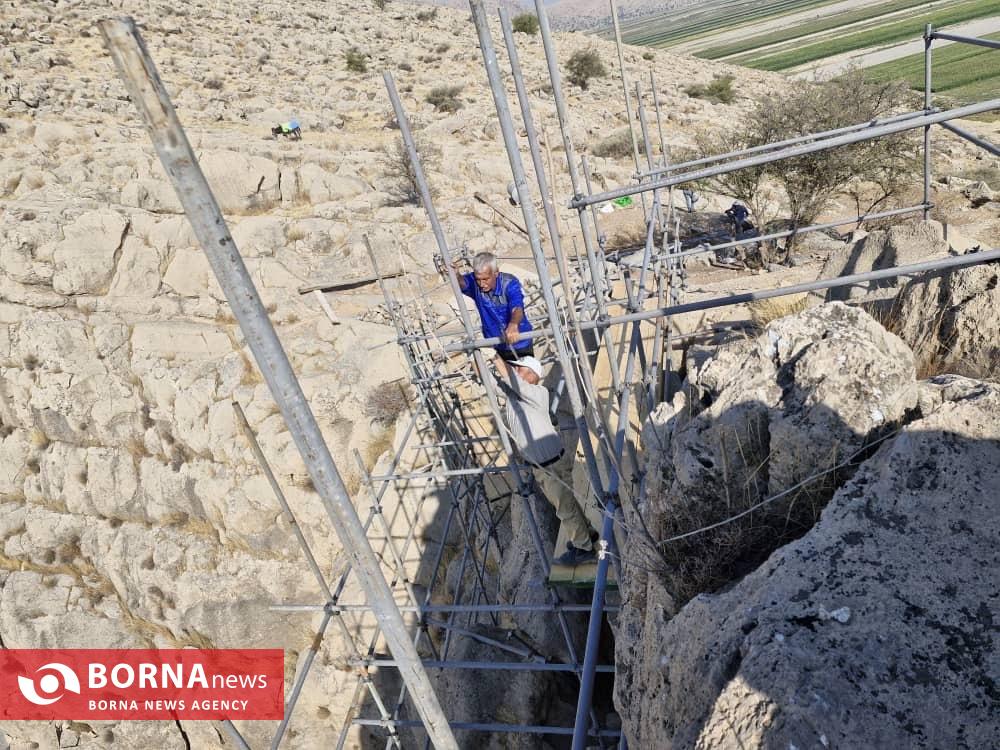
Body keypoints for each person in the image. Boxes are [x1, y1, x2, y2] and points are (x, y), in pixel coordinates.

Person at [493, 355, 597, 566]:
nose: (515, 372)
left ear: (532, 375)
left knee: (564, 507)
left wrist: (499, 362)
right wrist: (480, 358)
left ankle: (583, 548)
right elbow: (495, 382)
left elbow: (513, 381)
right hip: (545, 465)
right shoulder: (515, 396)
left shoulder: (537, 394)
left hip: (551, 465)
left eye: (519, 369)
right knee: (566, 501)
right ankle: (588, 533)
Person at [454, 252, 534, 361]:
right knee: (508, 375)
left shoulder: (509, 283)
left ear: (496, 272)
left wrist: (513, 324)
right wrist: (456, 275)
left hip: (520, 342)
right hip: (496, 342)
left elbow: (517, 307)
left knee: (527, 375)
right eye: (478, 279)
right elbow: (463, 284)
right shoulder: (475, 281)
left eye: (486, 279)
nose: (481, 284)